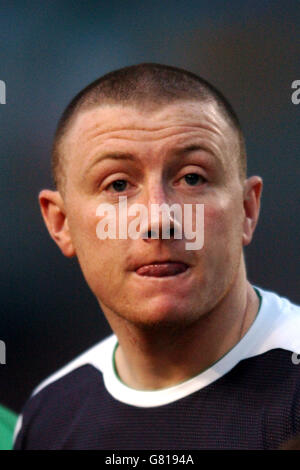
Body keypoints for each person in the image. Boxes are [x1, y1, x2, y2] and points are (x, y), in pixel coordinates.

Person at [14, 63, 300, 450]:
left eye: (193, 178)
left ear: (247, 210)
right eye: (118, 184)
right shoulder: (48, 418)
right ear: (61, 223)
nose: (159, 219)